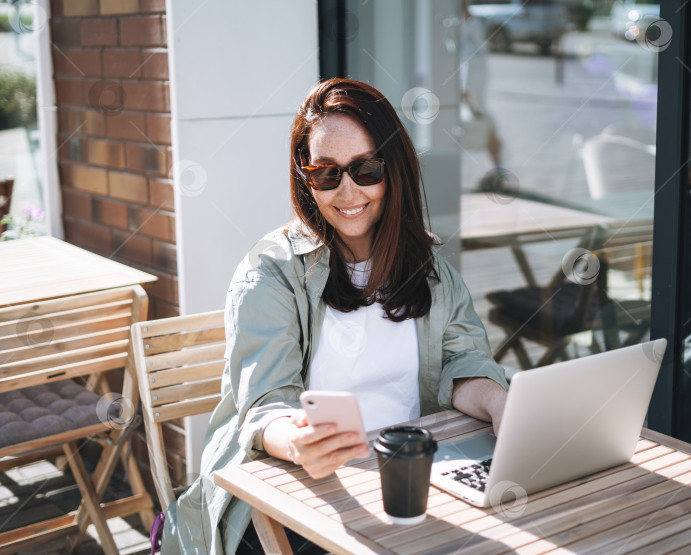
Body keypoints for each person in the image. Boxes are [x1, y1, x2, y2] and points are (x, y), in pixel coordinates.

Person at [160, 78, 509, 554]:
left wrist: (499, 404)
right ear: (304, 177)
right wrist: (295, 440)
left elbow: (462, 362)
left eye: (365, 170)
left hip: (405, 482)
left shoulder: (431, 273)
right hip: (293, 493)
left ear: (395, 169)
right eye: (325, 174)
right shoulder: (270, 272)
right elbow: (266, 405)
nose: (347, 192)